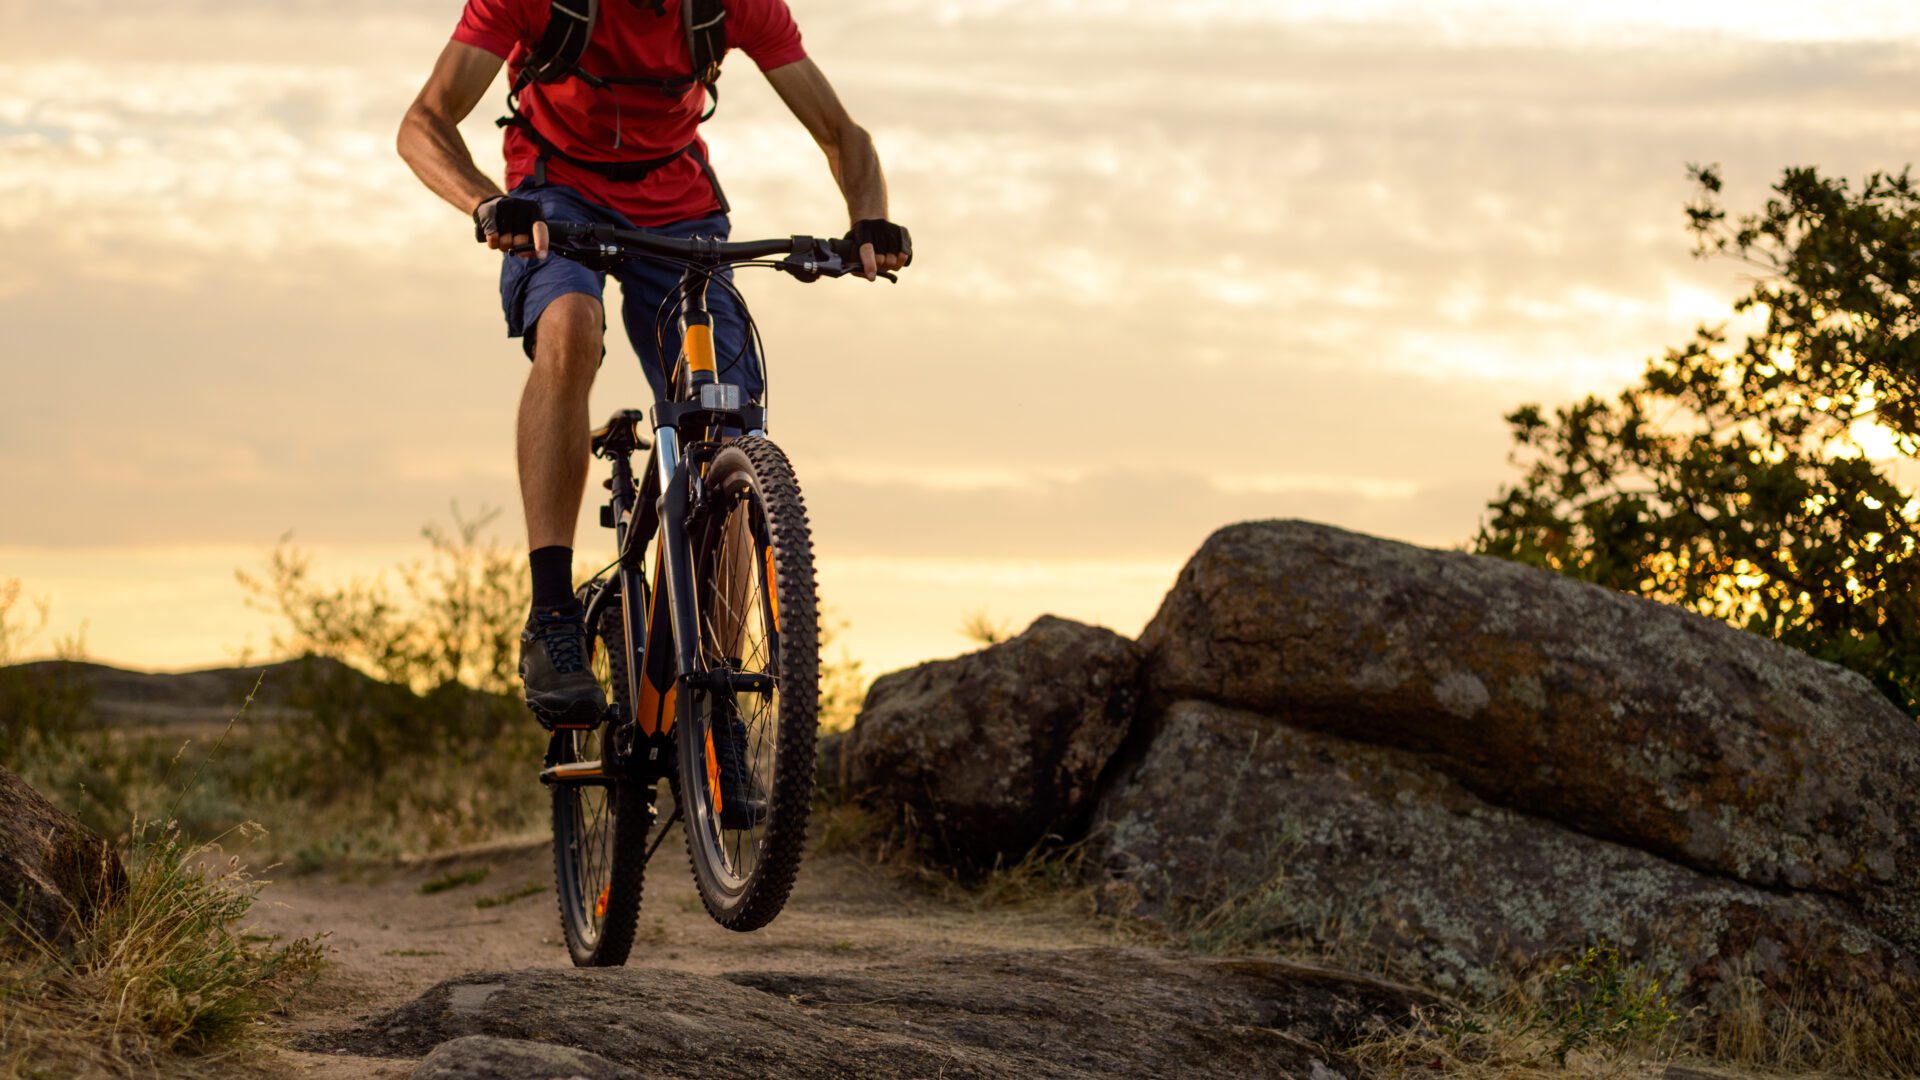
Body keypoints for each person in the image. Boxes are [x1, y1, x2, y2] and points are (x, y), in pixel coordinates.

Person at [396, 0, 911, 728]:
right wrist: (487, 203)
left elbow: (840, 132)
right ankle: (551, 615)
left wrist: (869, 216)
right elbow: (423, 122)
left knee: (729, 427)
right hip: (554, 196)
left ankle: (720, 695)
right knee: (569, 325)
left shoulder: (732, 6)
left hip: (680, 209)